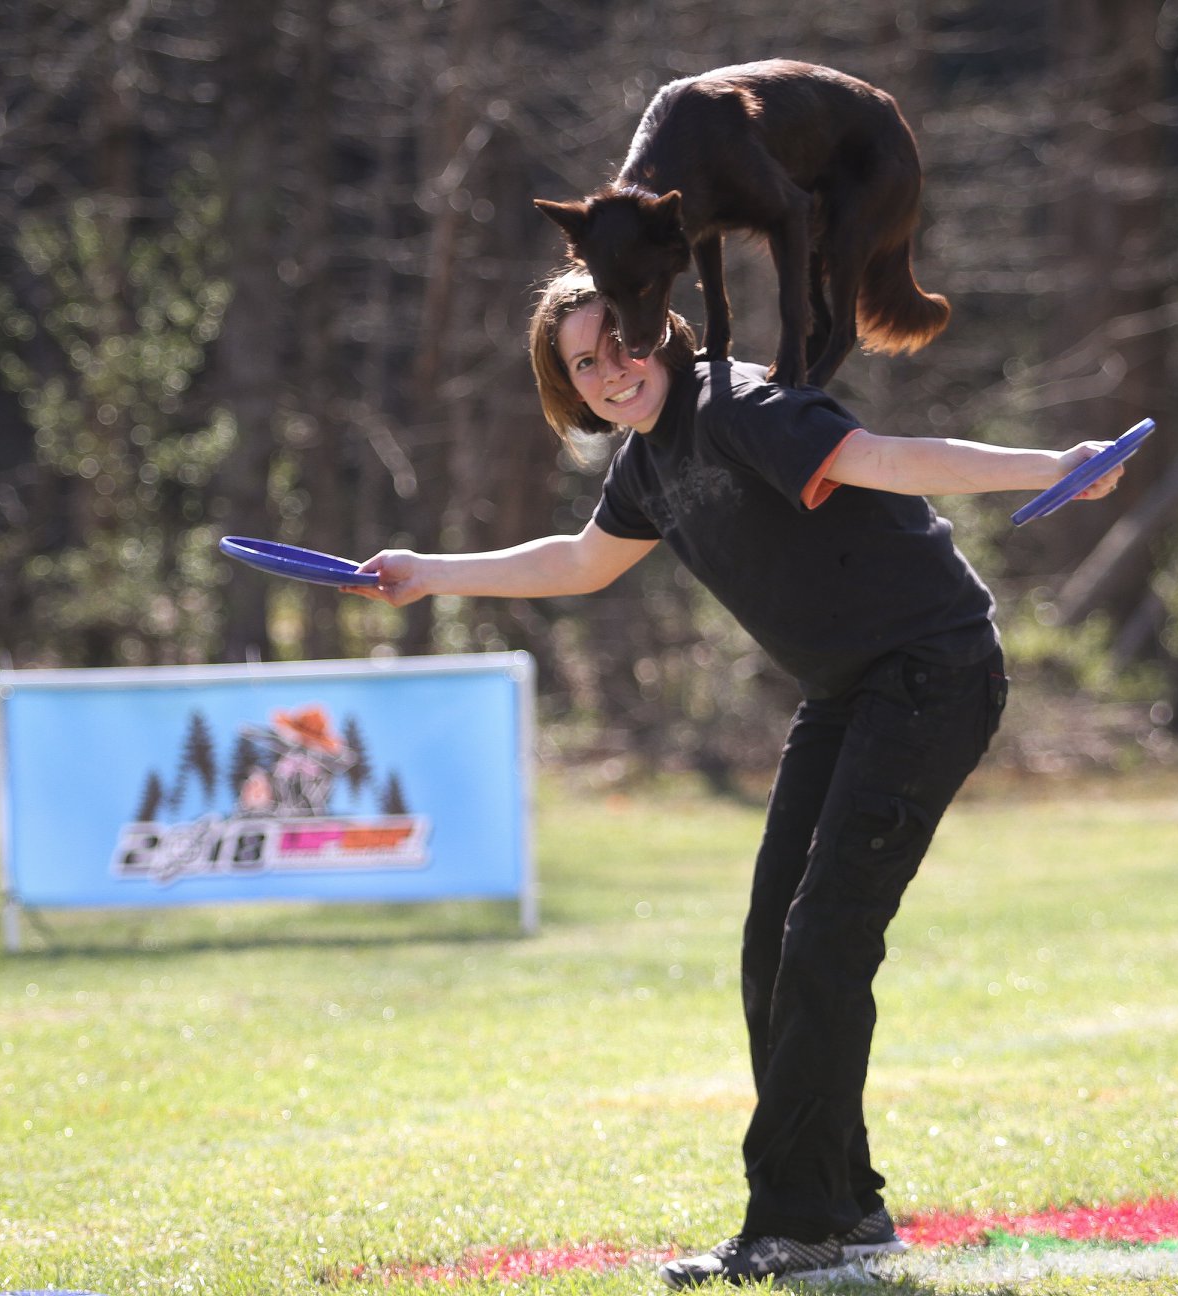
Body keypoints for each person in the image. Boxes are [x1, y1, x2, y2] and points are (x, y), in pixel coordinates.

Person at [344, 266, 1124, 1287]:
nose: (609, 371)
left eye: (619, 343)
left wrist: (1051, 465)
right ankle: (847, 1208)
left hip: (931, 672)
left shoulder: (736, 405)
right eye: (583, 364)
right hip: (845, 692)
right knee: (773, 948)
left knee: (825, 938)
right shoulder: (647, 461)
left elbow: (884, 457)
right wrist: (428, 573)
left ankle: (796, 1222)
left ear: (658, 329)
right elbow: (580, 562)